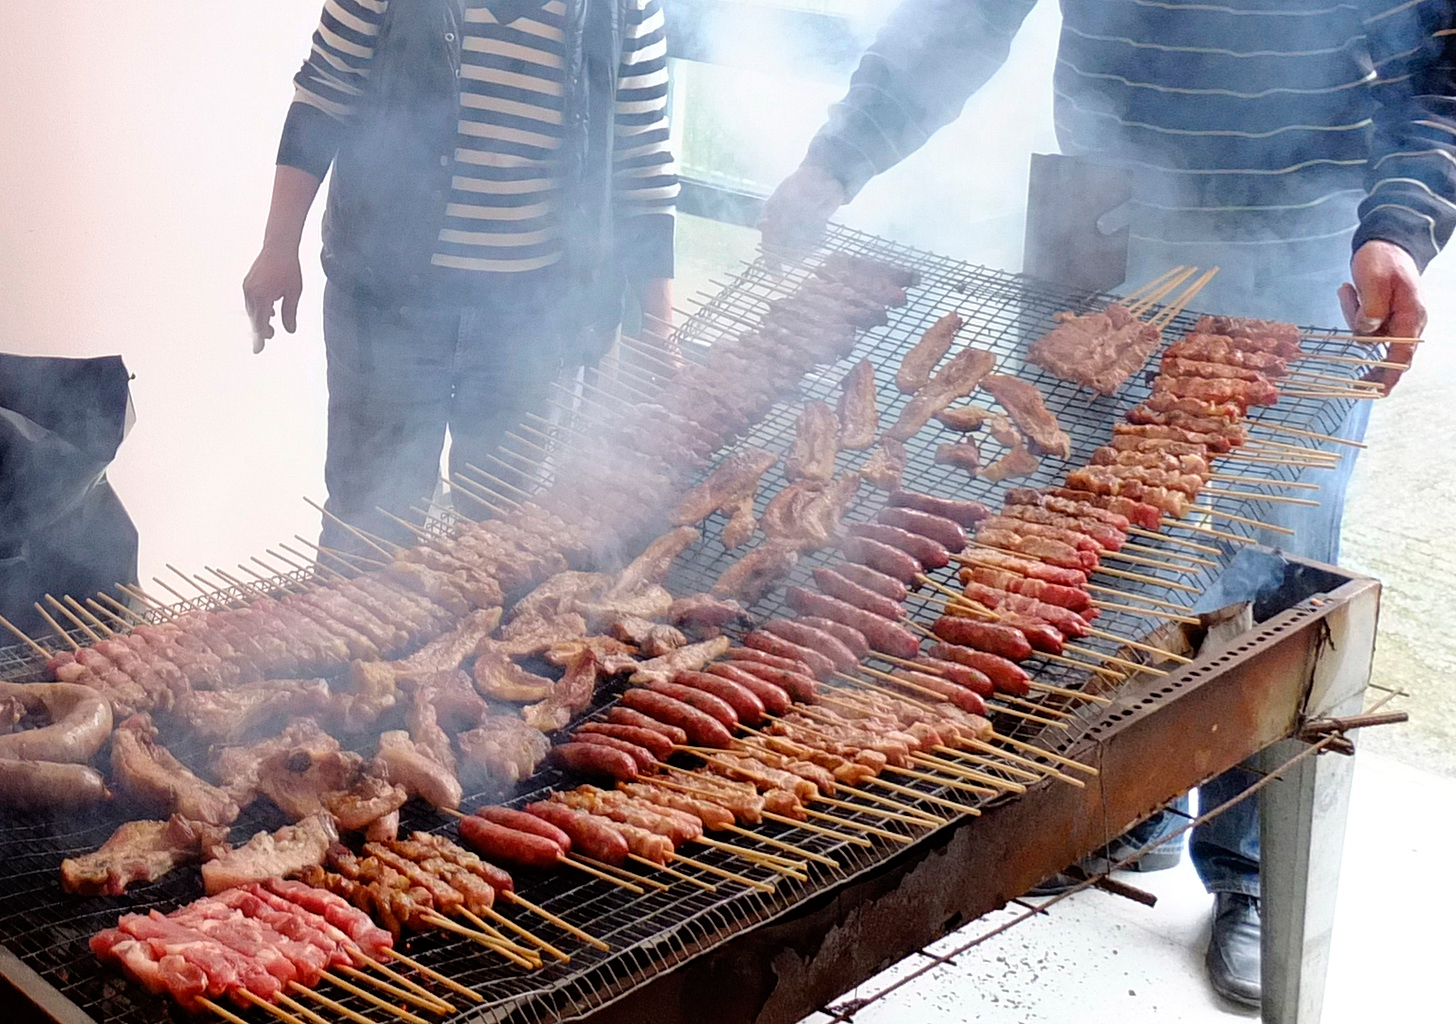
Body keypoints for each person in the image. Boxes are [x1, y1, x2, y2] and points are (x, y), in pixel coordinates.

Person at [760, 0, 1454, 1008]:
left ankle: (1250, 870)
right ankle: (1130, 806)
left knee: (1266, 559)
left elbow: (1441, 56)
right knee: (1085, 534)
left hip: (1305, 223)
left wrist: (1397, 228)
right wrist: (838, 156)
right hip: (1105, 200)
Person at [243, 0, 679, 554]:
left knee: (510, 540)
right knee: (368, 532)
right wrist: (279, 246)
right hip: (388, 305)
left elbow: (643, 151)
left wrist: (659, 324)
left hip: (538, 325)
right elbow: (325, 95)